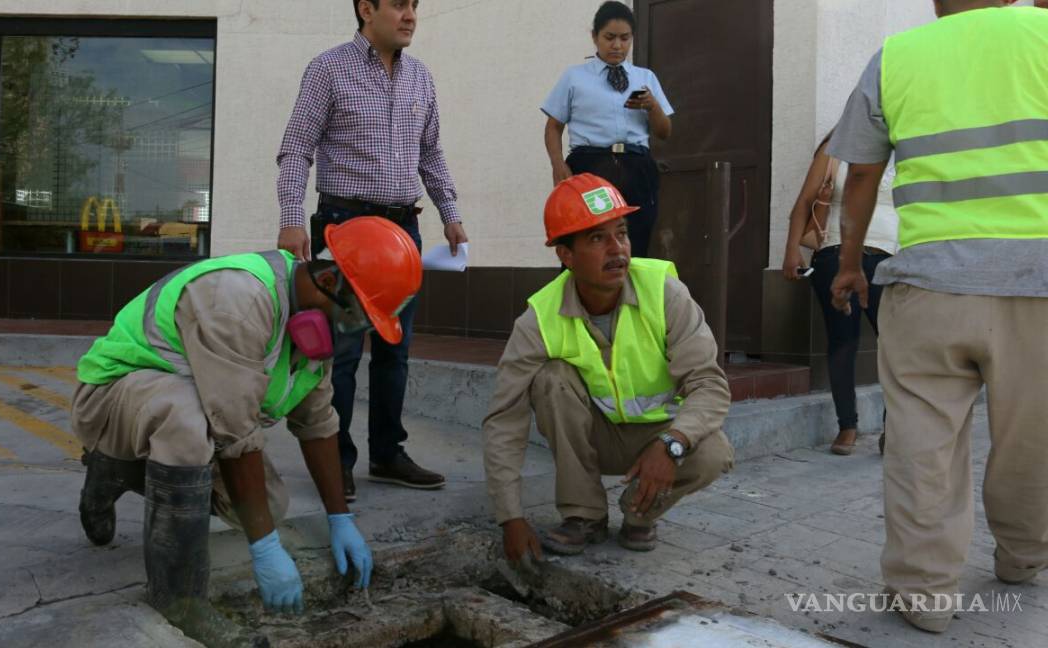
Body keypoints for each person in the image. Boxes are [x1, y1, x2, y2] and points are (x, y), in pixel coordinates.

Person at [71, 217, 421, 646]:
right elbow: (235, 435)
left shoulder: (315, 326)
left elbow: (317, 423)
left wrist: (339, 517)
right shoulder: (237, 299)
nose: (354, 332)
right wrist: (264, 549)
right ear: (329, 279)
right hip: (112, 398)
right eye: (357, 318)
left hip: (186, 414)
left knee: (267, 507)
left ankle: (117, 473)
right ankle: (180, 600)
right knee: (186, 417)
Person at [828, 1, 1048, 634]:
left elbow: (862, 174)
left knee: (922, 445)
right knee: (1031, 441)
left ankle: (924, 594)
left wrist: (849, 265)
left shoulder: (896, 57)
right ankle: (1024, 556)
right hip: (1034, 287)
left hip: (927, 287)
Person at [482, 174, 733, 560]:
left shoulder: (664, 292)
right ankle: (584, 516)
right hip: (595, 436)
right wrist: (510, 518)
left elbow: (710, 385)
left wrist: (672, 443)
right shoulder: (539, 319)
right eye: (597, 238)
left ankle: (640, 513)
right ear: (566, 256)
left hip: (656, 434)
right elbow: (504, 419)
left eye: (621, 233)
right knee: (551, 379)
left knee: (713, 451)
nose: (617, 249)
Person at [275, 0, 466, 501]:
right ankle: (334, 460)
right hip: (345, 230)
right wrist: (291, 217)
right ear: (366, 9)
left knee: (394, 349)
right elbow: (297, 146)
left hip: (403, 233)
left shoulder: (421, 78)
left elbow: (431, 152)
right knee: (338, 353)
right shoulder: (328, 69)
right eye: (399, 4)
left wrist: (450, 212)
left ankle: (387, 453)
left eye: (415, 6)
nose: (410, 15)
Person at [781, 132, 898, 455]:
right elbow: (804, 202)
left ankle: (893, 428)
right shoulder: (835, 152)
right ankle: (847, 425)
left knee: (895, 345)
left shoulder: (906, 152)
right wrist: (792, 250)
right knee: (842, 340)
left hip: (891, 259)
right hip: (835, 252)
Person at [541, 1, 674, 258]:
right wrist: (558, 165)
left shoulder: (645, 78)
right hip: (590, 167)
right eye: (609, 37)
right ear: (595, 37)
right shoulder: (575, 77)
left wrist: (652, 106)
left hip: (637, 166)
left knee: (636, 244)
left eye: (625, 38)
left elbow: (664, 132)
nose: (617, 45)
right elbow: (553, 126)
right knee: (586, 238)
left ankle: (630, 297)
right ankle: (580, 297)